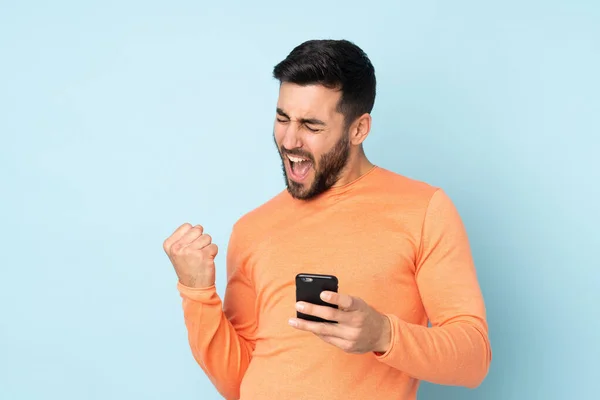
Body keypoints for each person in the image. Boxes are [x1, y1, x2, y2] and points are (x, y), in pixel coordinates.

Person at [163, 39, 492, 400]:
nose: (289, 140)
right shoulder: (252, 228)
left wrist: (383, 334)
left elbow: (474, 359)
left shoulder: (424, 209)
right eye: (282, 118)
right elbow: (237, 382)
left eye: (311, 126)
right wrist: (197, 293)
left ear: (358, 129)